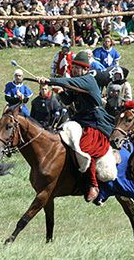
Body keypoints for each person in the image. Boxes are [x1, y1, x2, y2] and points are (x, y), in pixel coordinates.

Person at [39, 51, 115, 202]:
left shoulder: (88, 79)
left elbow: (67, 83)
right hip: (81, 120)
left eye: (77, 68)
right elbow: (68, 100)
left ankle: (94, 185)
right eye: (73, 67)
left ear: (85, 69)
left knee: (86, 147)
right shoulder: (78, 80)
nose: (73, 70)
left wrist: (49, 80)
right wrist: (60, 93)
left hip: (95, 122)